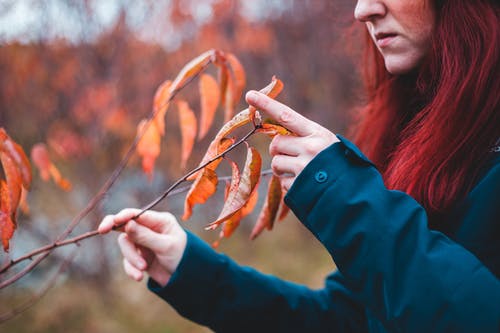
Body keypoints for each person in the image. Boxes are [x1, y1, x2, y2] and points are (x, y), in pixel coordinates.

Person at [99, 0, 500, 332]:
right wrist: (192, 272)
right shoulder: (419, 129)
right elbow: (348, 320)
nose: (363, 10)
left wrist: (346, 198)